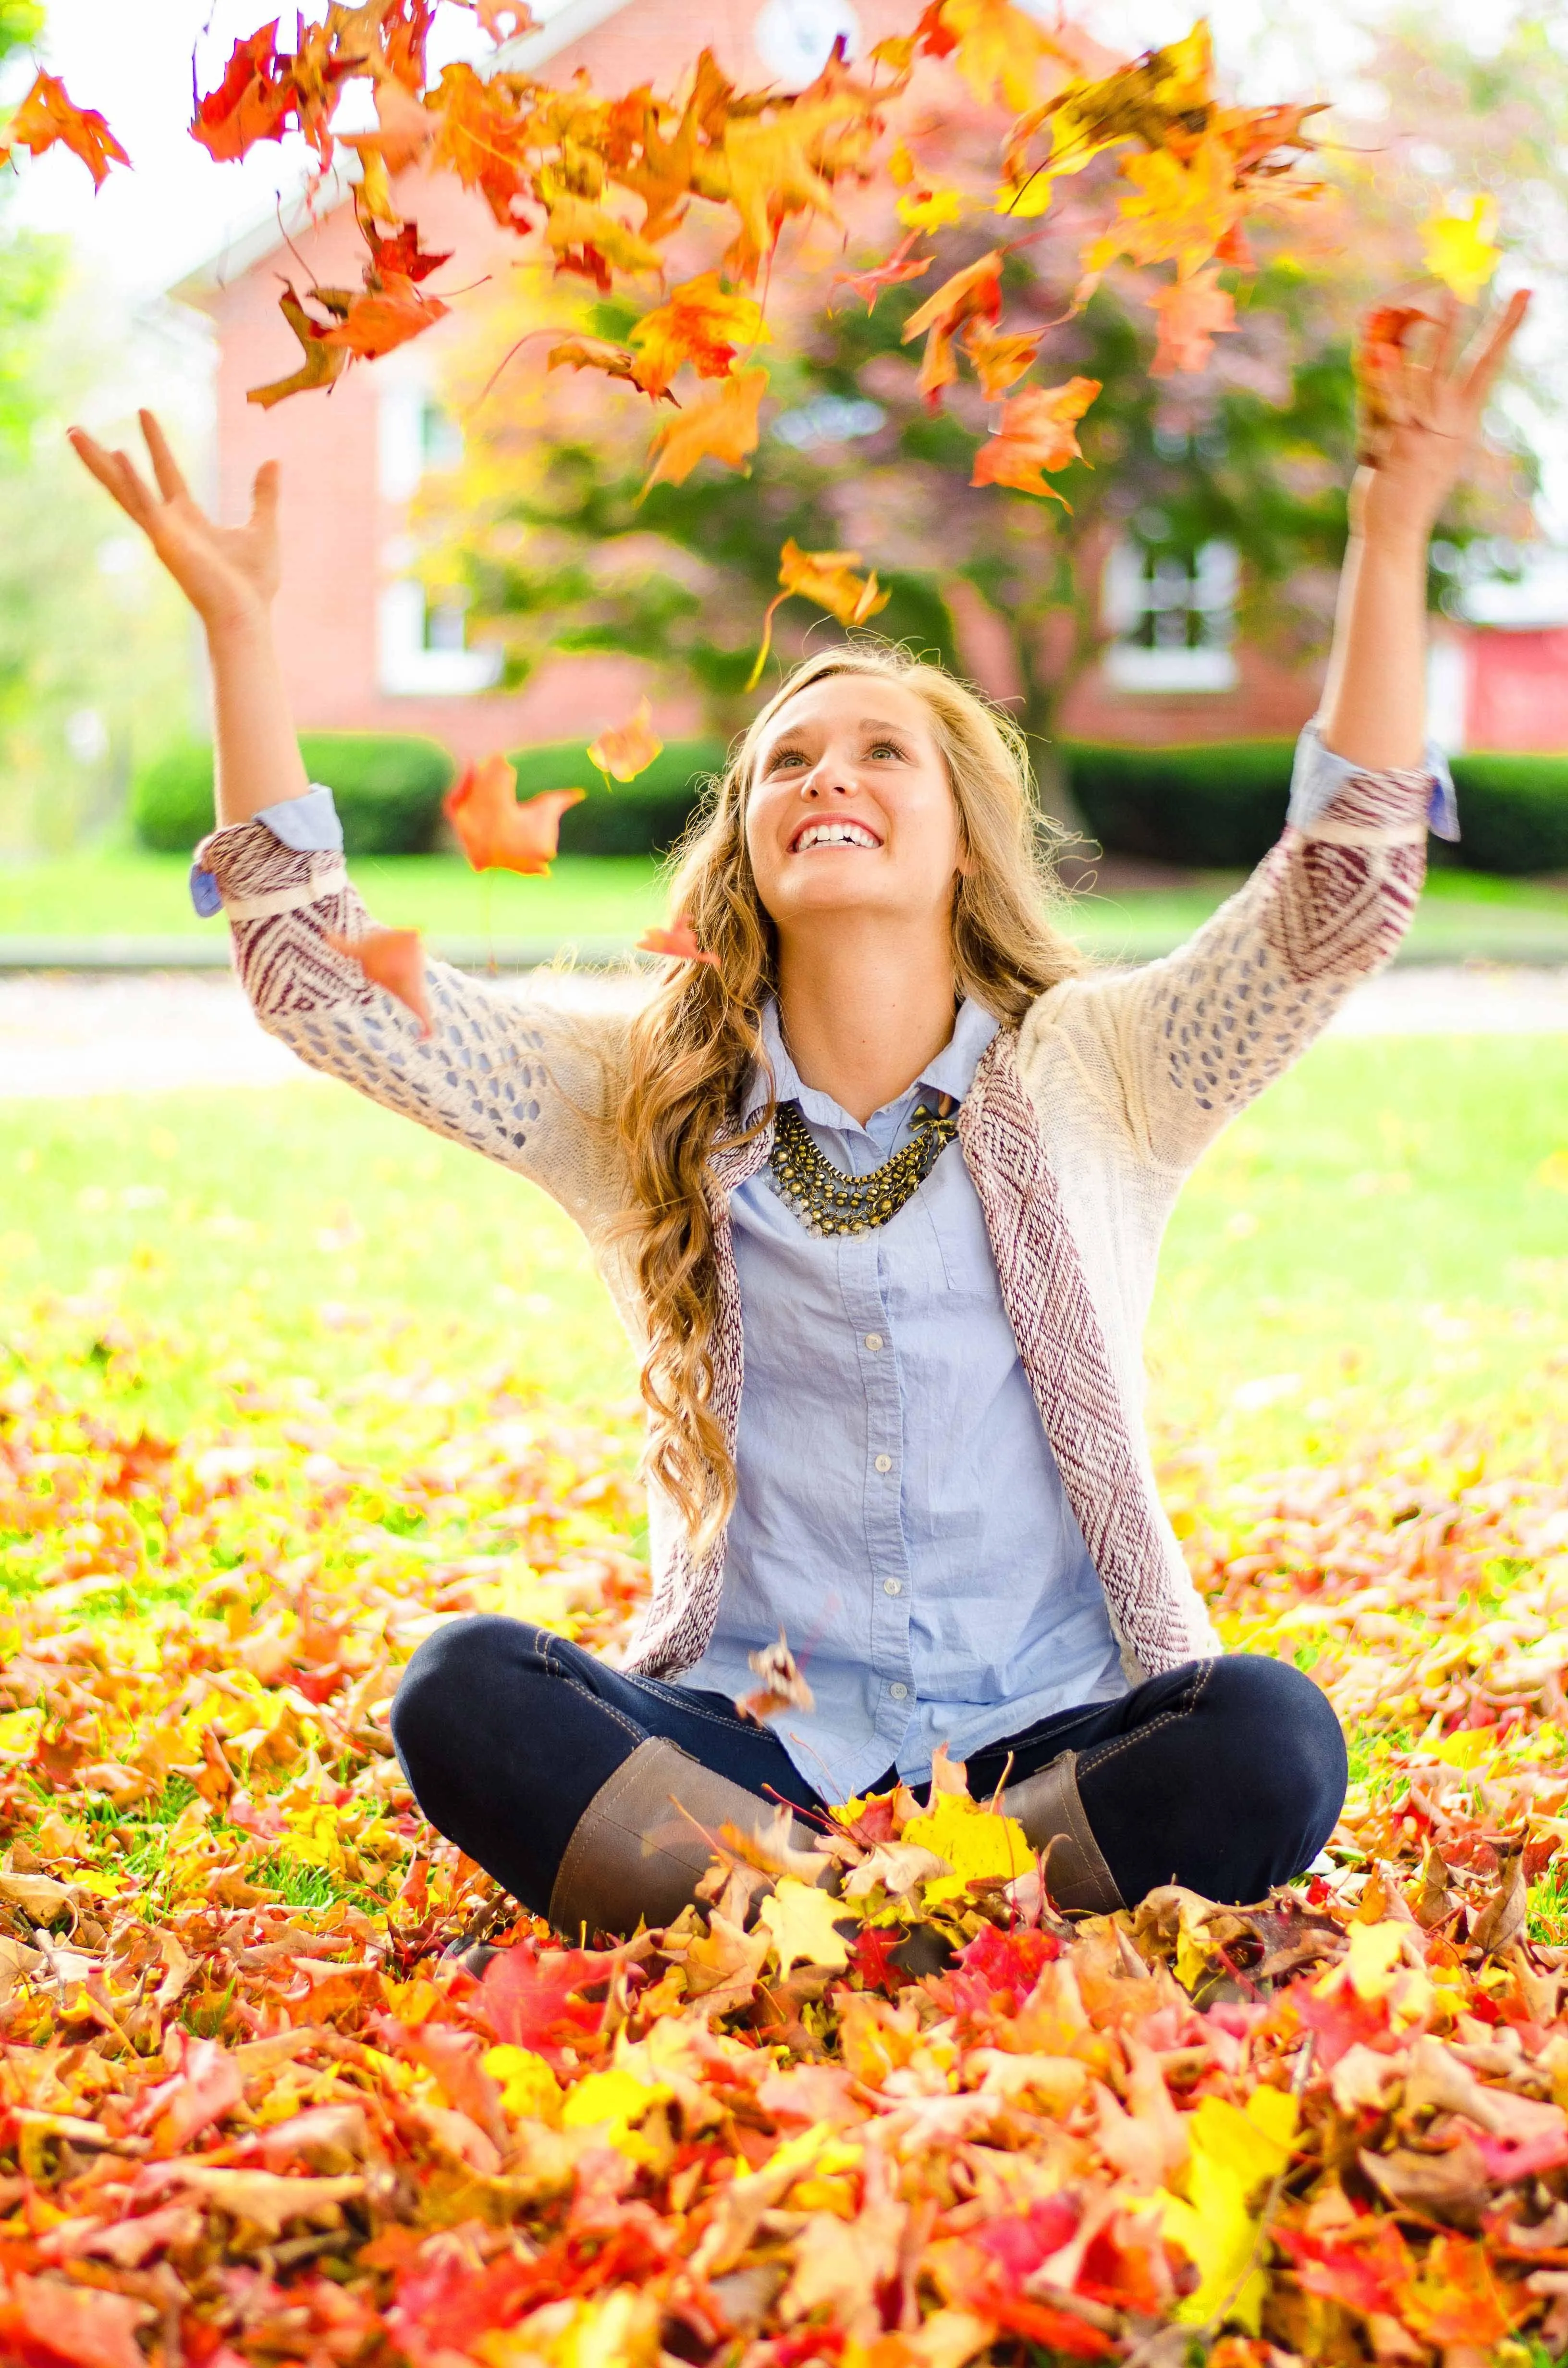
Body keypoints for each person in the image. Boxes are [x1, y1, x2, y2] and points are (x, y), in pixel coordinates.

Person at [71, 292, 1526, 1938]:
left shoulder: (1103, 1070)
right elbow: (320, 985)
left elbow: (1335, 901)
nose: (830, 776)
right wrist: (242, 637)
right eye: (787, 761)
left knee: (1272, 1738)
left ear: (960, 837)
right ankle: (871, 1913)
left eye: (882, 752)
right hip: (747, 1757)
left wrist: (1390, 533)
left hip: (1047, 1748)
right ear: (748, 841)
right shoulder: (642, 1092)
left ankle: (846, 1920)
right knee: (461, 1692)